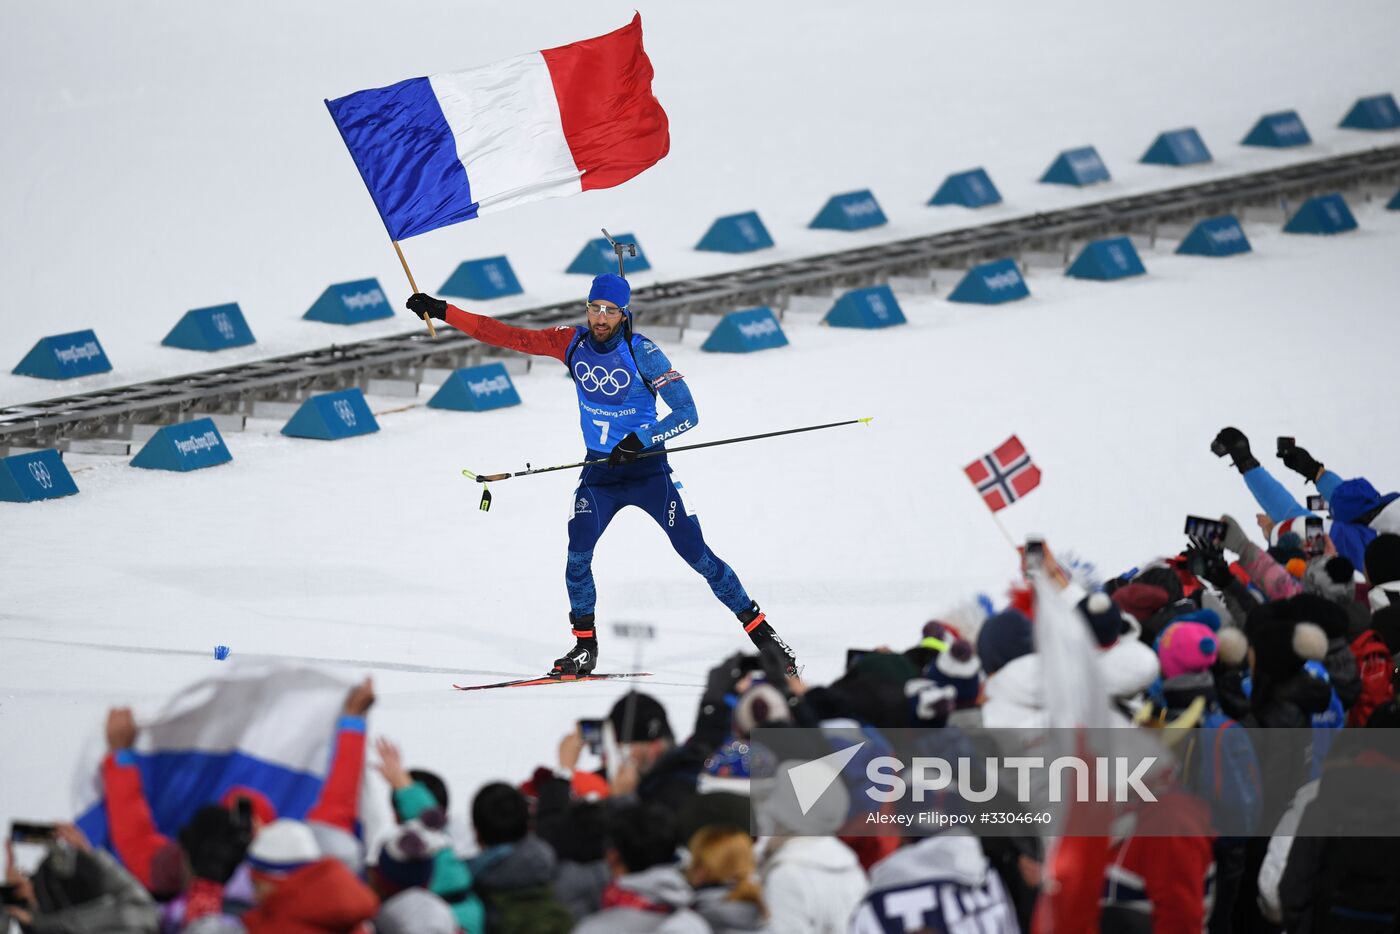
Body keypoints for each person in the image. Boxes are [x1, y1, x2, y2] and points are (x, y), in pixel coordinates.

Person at [405, 277, 798, 677]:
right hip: (600, 473)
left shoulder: (642, 352)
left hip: (649, 472)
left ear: (625, 314)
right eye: (595, 308)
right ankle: (584, 647)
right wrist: (444, 311)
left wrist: (642, 438)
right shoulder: (570, 342)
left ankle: (766, 639)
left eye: (611, 311)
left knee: (699, 557)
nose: (601, 318)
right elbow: (509, 337)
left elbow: (687, 413)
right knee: (577, 556)